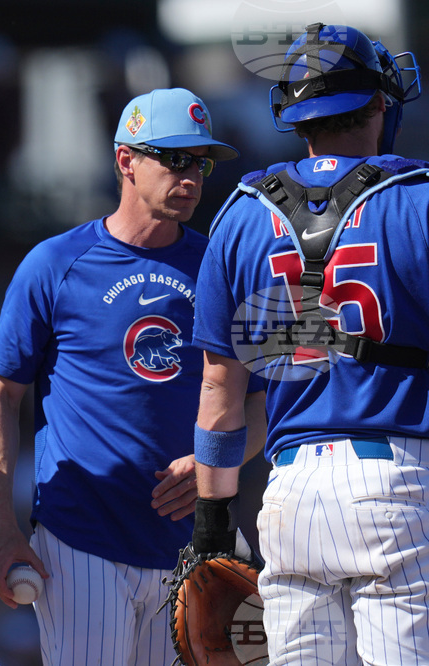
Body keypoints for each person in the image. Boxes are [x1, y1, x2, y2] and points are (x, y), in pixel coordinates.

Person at [0, 87, 264, 665]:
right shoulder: (57, 263)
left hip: (188, 548)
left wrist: (219, 461)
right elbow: (0, 395)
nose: (191, 178)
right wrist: (2, 524)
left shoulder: (219, 266)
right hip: (81, 539)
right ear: (125, 160)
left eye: (201, 164)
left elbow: (259, 403)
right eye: (175, 159)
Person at [190, 22, 429, 665]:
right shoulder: (419, 200)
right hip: (394, 476)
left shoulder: (239, 214)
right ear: (381, 103)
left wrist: (213, 522)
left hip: (288, 493)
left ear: (296, 116)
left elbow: (219, 389)